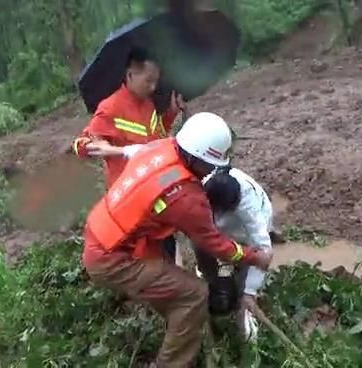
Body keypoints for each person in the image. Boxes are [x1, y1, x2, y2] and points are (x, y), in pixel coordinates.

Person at [82, 112, 272, 368]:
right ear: (198, 159)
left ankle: (188, 330)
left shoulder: (160, 148)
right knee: (194, 294)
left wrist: (114, 150)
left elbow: (136, 151)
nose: (211, 172)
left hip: (102, 231)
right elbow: (215, 244)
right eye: (211, 165)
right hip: (113, 257)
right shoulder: (186, 198)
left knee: (178, 287)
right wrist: (254, 256)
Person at [73, 47, 187, 260]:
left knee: (166, 248)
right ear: (130, 75)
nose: (153, 87)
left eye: (156, 81)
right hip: (131, 200)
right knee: (148, 259)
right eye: (148, 81)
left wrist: (172, 112)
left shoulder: (148, 103)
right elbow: (81, 144)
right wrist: (119, 151)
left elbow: (156, 135)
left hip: (154, 191)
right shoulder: (110, 108)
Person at [195, 166, 274, 342]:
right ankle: (211, 278)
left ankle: (247, 328)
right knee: (202, 245)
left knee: (243, 284)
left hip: (242, 234)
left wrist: (250, 291)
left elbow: (263, 253)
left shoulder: (251, 211)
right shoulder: (204, 182)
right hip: (214, 228)